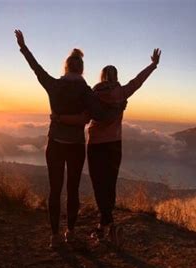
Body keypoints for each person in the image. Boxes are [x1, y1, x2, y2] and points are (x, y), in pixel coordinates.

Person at [14, 30, 123, 249]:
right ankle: (70, 232)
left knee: (55, 190)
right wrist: (118, 106)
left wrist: (23, 47)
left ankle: (54, 236)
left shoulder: (54, 86)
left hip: (54, 143)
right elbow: (99, 115)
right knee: (72, 190)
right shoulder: (87, 92)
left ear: (66, 67)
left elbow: (36, 67)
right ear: (82, 69)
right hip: (76, 147)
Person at [54, 48, 161, 246]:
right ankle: (105, 226)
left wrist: (61, 118)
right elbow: (138, 80)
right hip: (115, 145)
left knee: (98, 185)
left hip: (95, 145)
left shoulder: (94, 93)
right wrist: (153, 65)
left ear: (102, 76)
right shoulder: (122, 93)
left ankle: (107, 225)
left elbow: (86, 115)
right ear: (116, 76)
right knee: (109, 186)